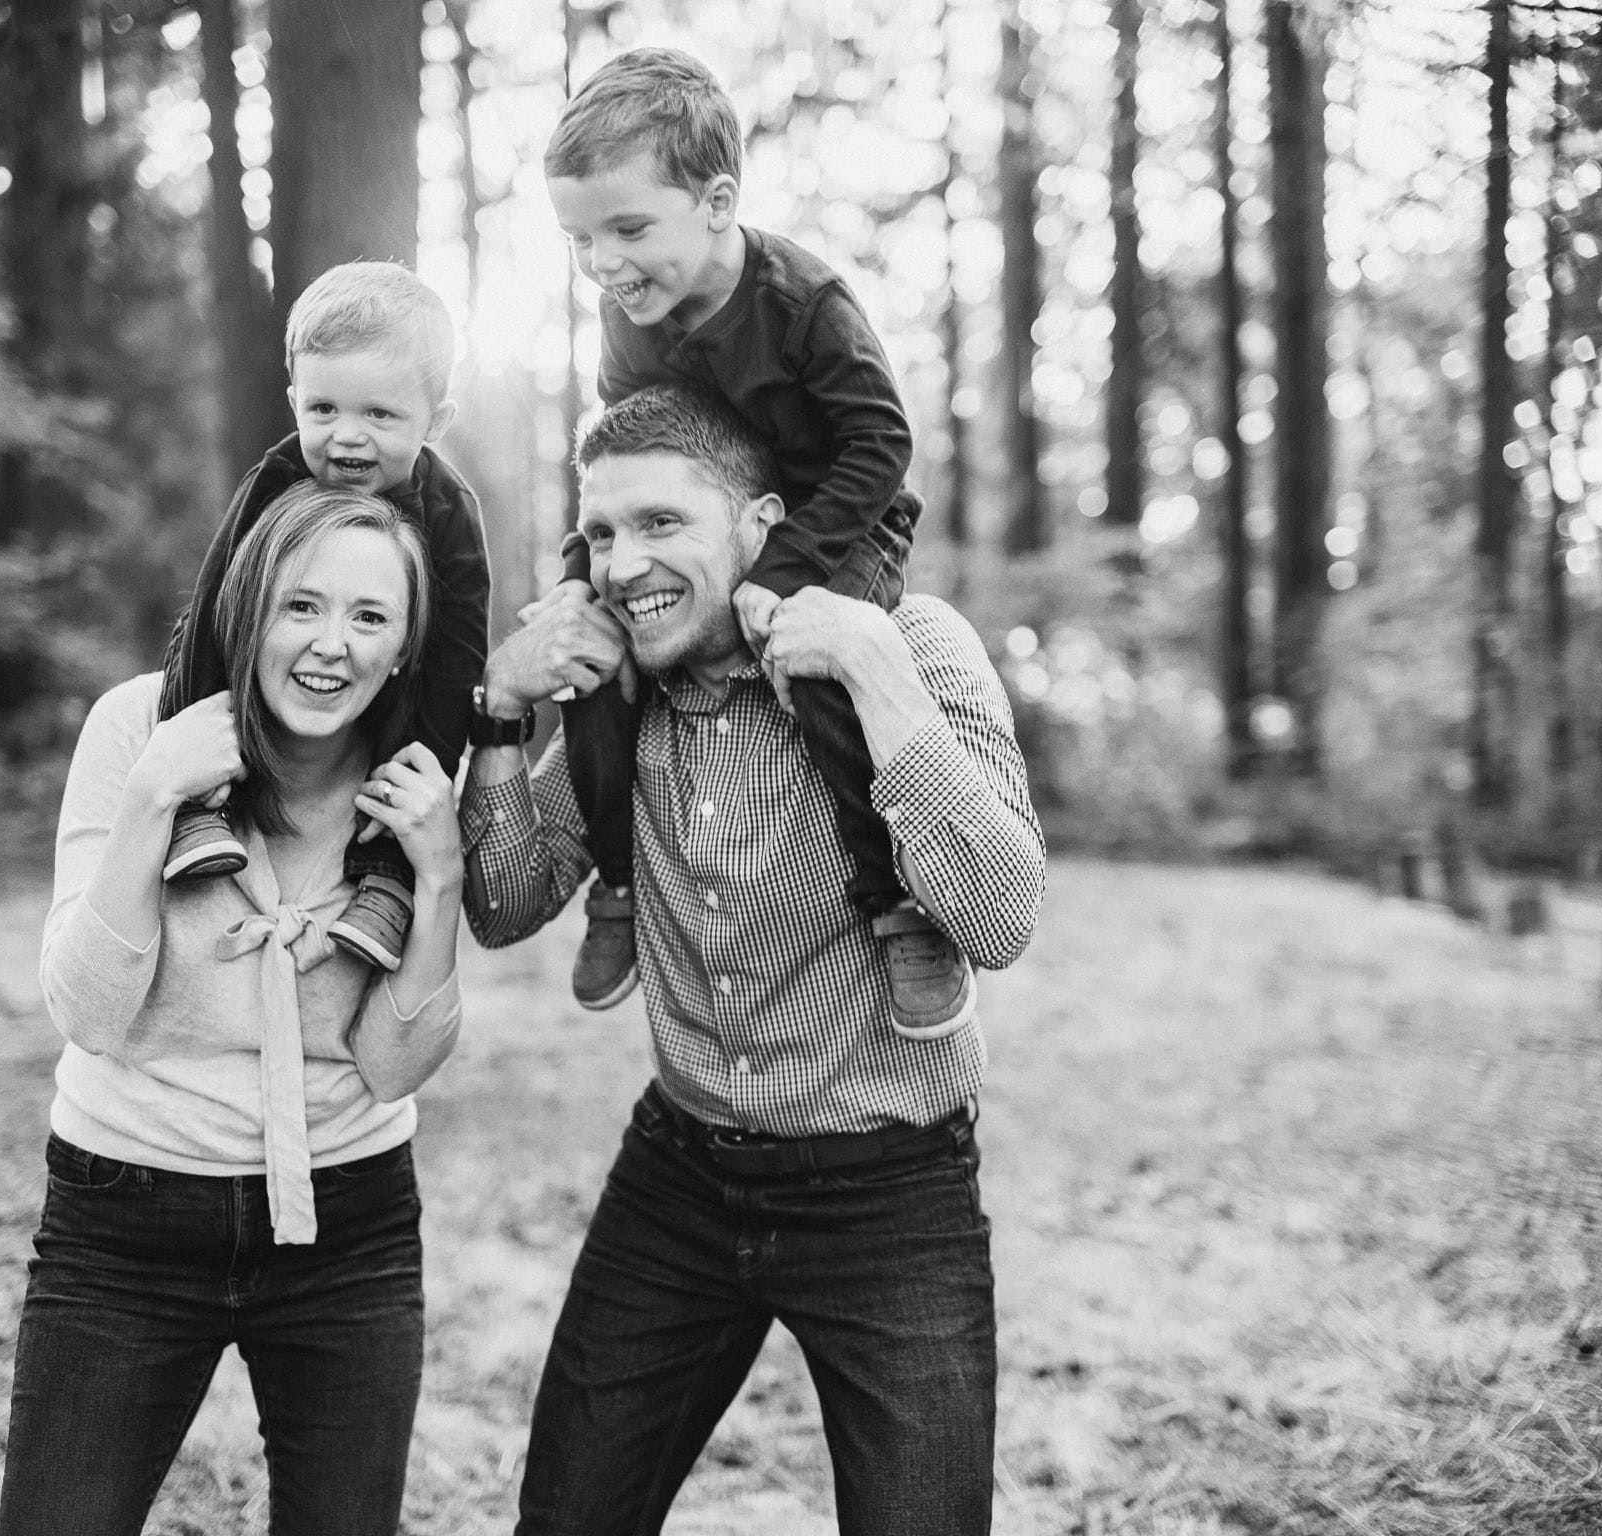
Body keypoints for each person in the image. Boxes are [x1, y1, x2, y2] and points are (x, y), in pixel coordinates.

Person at [460, 385, 1044, 1536]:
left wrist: (873, 675)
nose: (622, 565)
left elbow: (999, 917)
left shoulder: (914, 643)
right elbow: (502, 902)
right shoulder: (619, 696)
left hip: (890, 1194)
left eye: (660, 523)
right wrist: (498, 711)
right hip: (677, 1182)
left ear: (759, 524)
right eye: (601, 533)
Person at [0, 483, 466, 1536]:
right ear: (246, 609)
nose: (331, 645)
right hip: (125, 1217)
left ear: (404, 649)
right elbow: (87, 1011)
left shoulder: (415, 783)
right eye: (301, 605)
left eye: (369, 616)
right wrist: (152, 797)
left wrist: (438, 877)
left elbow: (394, 1065)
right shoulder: (138, 725)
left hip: (348, 1227)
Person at [539, 48, 969, 1036]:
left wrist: (783, 573)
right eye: (580, 239)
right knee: (593, 653)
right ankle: (618, 882)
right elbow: (622, 454)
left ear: (717, 203)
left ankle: (895, 902)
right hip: (709, 530)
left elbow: (881, 444)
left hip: (839, 525)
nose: (603, 263)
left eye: (628, 229)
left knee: (812, 661)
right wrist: (575, 578)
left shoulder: (803, 305)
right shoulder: (627, 317)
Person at [158, 261, 489, 977]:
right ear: (295, 402)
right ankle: (199, 812)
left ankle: (386, 877)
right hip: (261, 668)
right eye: (324, 410)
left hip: (394, 675)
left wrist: (427, 773)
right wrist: (187, 732)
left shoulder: (450, 512)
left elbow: (459, 652)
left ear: (435, 421)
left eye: (380, 415)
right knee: (196, 627)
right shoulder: (277, 477)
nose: (348, 438)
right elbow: (217, 601)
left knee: (426, 690)